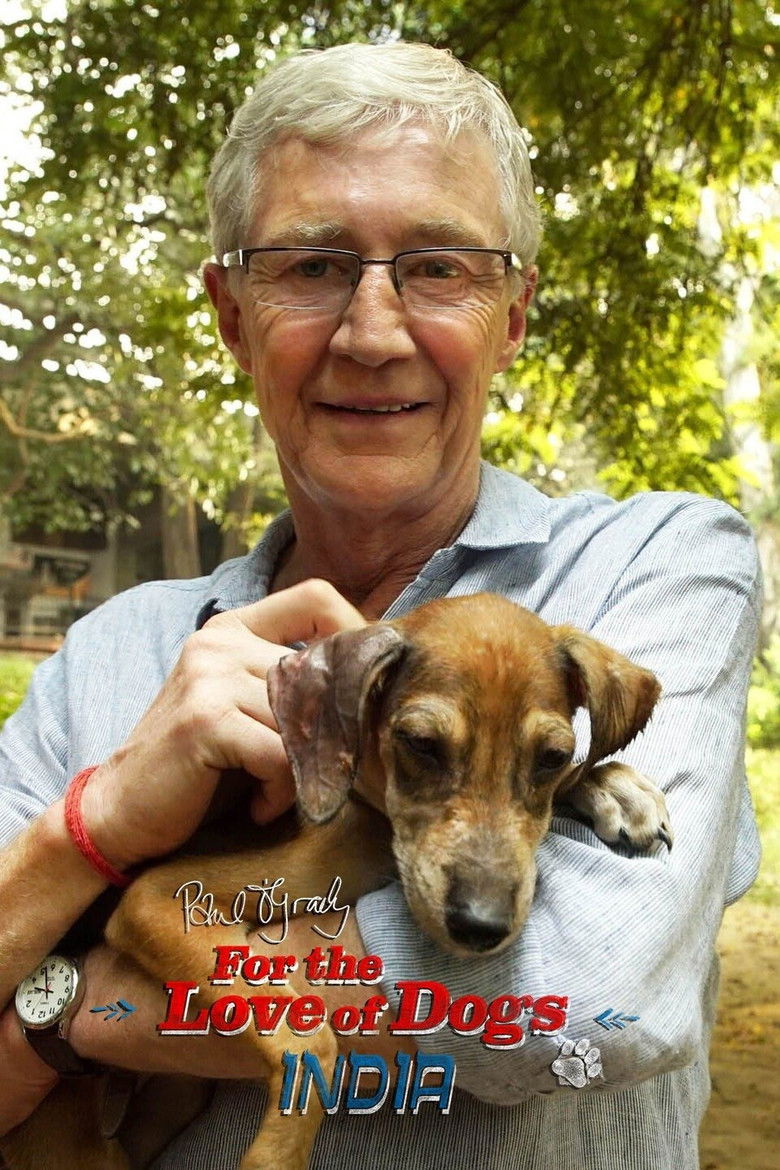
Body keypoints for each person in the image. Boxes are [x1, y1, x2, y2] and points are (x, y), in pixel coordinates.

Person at [0, 40, 762, 1170]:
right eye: (310, 267)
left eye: (440, 266)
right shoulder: (110, 655)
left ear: (511, 314)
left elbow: (596, 1001)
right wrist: (103, 822)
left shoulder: (654, 562)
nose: (369, 331)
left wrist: (72, 1006)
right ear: (229, 314)